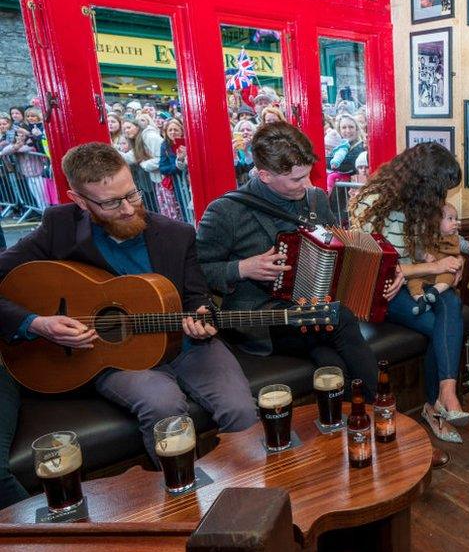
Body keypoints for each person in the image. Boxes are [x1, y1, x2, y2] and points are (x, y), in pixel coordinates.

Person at [0, 142, 257, 509]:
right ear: (79, 199)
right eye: (110, 202)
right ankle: (191, 508)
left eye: (131, 193)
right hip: (112, 355)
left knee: (241, 410)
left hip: (186, 345)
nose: (128, 208)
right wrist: (35, 323)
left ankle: (250, 499)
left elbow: (196, 295)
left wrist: (201, 315)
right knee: (163, 407)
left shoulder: (176, 233)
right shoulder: (58, 229)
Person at [196, 122, 378, 398]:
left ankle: (352, 424)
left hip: (309, 311)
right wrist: (242, 268)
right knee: (339, 318)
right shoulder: (226, 212)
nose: (307, 185)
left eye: (307, 175)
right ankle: (380, 409)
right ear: (264, 175)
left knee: (332, 360)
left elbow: (337, 249)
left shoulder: (316, 200)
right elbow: (198, 272)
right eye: (296, 179)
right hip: (262, 320)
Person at [351, 142, 469, 442]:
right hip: (380, 292)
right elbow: (380, 270)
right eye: (441, 188)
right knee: (443, 325)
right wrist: (436, 267)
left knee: (450, 305)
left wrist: (453, 264)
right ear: (423, 182)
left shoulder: (420, 206)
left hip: (410, 284)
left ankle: (443, 395)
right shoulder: (374, 203)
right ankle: (438, 403)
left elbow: (423, 255)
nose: (442, 197)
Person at [407, 202, 469, 315]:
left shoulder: (456, 238)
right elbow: (417, 251)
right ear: (436, 221)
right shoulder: (426, 236)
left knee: (450, 275)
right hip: (424, 273)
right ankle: (421, 301)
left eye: (456, 219)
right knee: (412, 282)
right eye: (450, 219)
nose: (455, 223)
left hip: (443, 272)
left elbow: (464, 246)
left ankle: (435, 291)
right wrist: (424, 256)